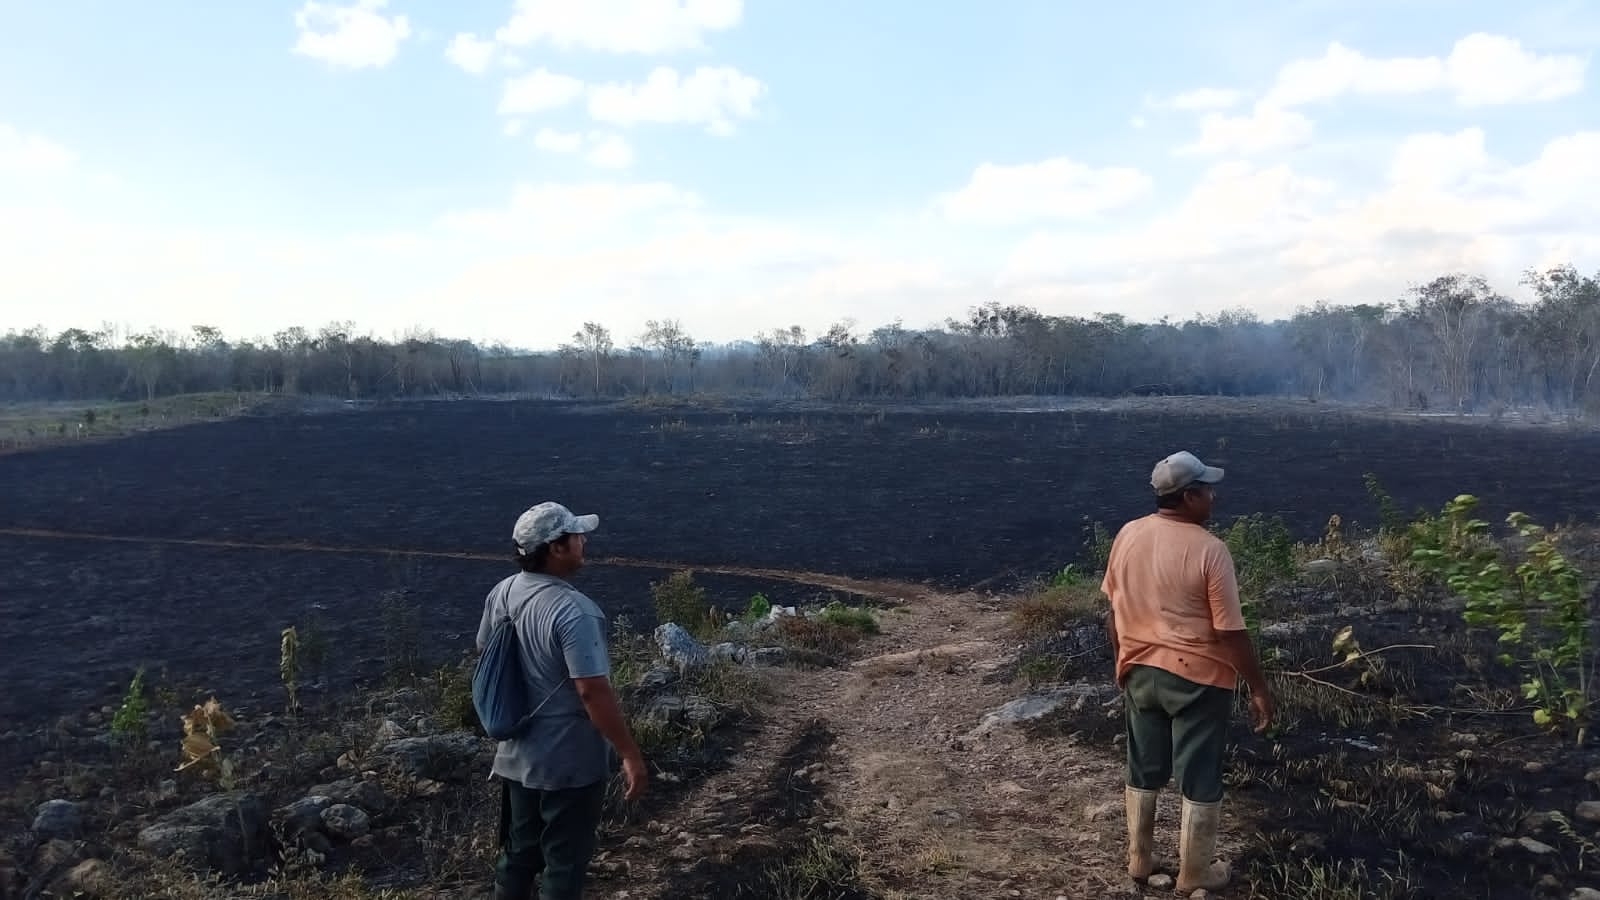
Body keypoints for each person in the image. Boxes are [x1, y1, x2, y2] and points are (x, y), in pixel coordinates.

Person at [1100, 450, 1274, 893]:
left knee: (1144, 765)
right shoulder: (1210, 551)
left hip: (1139, 671)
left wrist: (1122, 661)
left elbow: (1113, 609)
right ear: (1189, 496)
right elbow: (1230, 631)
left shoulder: (1128, 534)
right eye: (1208, 490)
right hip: (1198, 679)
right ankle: (1194, 874)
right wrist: (1257, 687)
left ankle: (1139, 860)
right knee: (1199, 772)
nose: (1214, 497)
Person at [476, 501, 649, 900]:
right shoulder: (574, 611)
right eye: (576, 536)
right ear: (556, 548)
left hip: (517, 757)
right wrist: (629, 754)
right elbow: (592, 691)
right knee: (564, 864)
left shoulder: (501, 593)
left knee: (518, 855)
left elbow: (485, 653)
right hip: (568, 764)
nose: (584, 541)